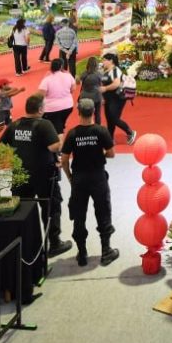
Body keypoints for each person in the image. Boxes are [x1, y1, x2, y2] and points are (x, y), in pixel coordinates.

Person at [0, 93, 72, 257]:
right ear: (40, 109)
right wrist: (60, 141)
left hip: (20, 175)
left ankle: (23, 243)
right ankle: (54, 243)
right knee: (50, 208)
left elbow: (2, 147)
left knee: (22, 209)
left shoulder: (14, 125)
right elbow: (54, 147)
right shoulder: (44, 124)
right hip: (44, 175)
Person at [61, 98, 119, 267]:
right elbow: (111, 154)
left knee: (79, 215)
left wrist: (70, 177)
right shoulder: (101, 131)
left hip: (79, 179)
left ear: (78, 112)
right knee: (103, 212)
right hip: (98, 178)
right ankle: (106, 251)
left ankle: (82, 253)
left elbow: (64, 160)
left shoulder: (72, 134)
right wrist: (99, 154)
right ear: (94, 112)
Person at [100, 53, 136, 144]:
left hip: (117, 98)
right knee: (109, 118)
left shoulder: (116, 70)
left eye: (104, 60)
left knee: (114, 118)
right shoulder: (105, 70)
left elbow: (116, 84)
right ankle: (111, 138)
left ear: (111, 61)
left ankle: (130, 132)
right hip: (108, 98)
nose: (103, 62)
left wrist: (105, 89)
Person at [37, 58, 76, 134]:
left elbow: (40, 95)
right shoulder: (68, 76)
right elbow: (73, 89)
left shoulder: (47, 79)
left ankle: (58, 140)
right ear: (61, 66)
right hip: (68, 106)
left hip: (51, 109)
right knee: (60, 125)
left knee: (55, 129)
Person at [0, 77, 24, 145]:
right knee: (1, 127)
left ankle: (10, 138)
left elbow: (12, 94)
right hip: (0, 112)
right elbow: (9, 92)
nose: (9, 85)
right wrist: (15, 89)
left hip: (7, 111)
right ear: (3, 86)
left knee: (10, 125)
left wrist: (20, 91)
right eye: (8, 84)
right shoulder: (1, 93)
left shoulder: (5, 91)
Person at [78, 56, 104, 125]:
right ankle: (98, 130)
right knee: (97, 114)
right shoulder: (99, 74)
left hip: (85, 96)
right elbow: (102, 85)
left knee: (84, 114)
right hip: (96, 96)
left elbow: (78, 83)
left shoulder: (84, 74)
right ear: (96, 65)